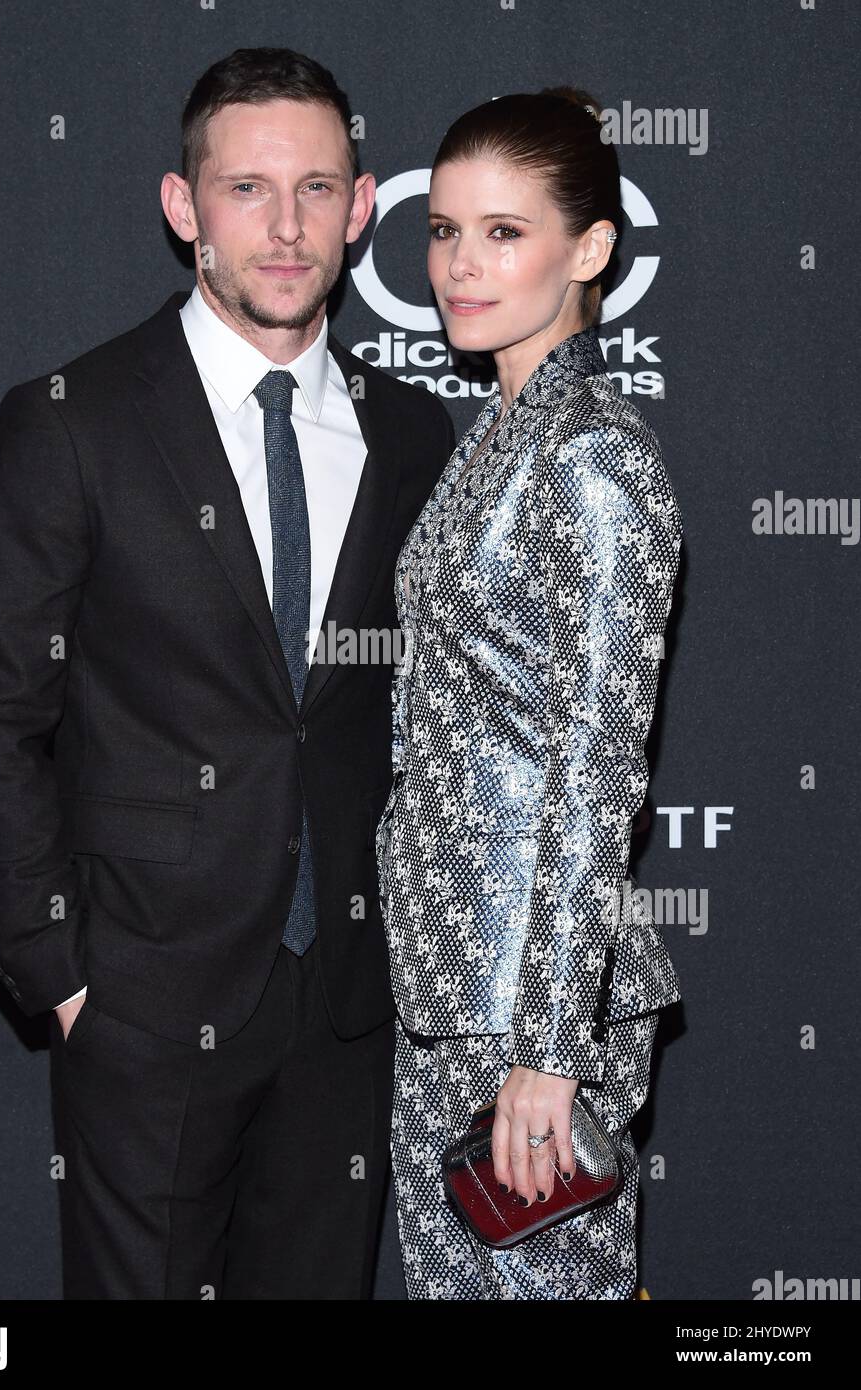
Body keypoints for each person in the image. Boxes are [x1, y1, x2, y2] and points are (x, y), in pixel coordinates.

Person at [0, 46, 455, 1299]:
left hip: (344, 999)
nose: (285, 229)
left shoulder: (409, 431)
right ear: (185, 209)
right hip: (141, 999)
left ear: (363, 205)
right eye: (247, 190)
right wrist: (58, 979)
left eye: (317, 189)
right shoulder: (72, 419)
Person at [375, 87, 684, 1300]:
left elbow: (597, 764)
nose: (460, 264)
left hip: (532, 1005)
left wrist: (552, 1053)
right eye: (445, 231)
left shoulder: (591, 455)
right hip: (450, 991)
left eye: (505, 232)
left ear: (590, 249)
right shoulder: (496, 434)